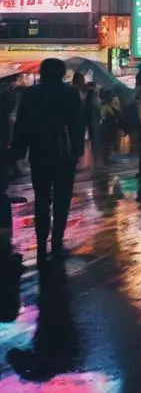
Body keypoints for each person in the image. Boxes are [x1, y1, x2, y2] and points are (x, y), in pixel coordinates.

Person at [10, 58, 84, 259]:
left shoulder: (32, 94)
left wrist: (18, 151)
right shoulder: (70, 93)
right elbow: (78, 124)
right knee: (62, 197)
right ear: (61, 74)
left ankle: (41, 240)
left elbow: (22, 125)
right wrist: (77, 150)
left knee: (42, 197)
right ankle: (57, 239)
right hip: (64, 153)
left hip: (40, 152)